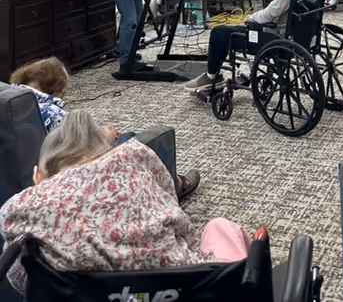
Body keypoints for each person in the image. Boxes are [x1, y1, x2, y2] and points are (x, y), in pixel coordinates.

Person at [0, 111, 250, 295]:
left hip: (85, 295)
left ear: (38, 175)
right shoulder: (134, 156)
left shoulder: (19, 210)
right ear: (103, 149)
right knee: (221, 227)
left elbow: (23, 282)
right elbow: (182, 227)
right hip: (185, 289)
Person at [10, 56, 200, 201]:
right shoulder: (54, 114)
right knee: (133, 143)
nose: (65, 95)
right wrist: (105, 137)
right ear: (56, 89)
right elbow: (77, 152)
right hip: (68, 177)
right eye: (64, 91)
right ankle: (174, 184)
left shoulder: (13, 99)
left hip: (23, 174)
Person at [184, 0, 318, 92]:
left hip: (275, 38)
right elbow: (289, 4)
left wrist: (250, 18)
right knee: (231, 29)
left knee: (219, 32)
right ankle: (213, 75)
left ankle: (211, 76)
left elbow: (270, 14)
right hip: (302, 37)